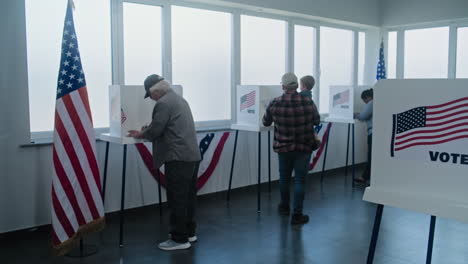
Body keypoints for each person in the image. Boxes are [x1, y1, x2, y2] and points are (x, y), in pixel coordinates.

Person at [128, 74, 201, 251]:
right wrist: (151, 129)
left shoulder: (163, 103)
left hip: (177, 157)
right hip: (191, 155)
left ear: (156, 92)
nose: (151, 99)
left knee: (177, 199)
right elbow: (166, 126)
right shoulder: (179, 100)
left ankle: (178, 239)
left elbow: (157, 129)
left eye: (150, 95)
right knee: (188, 198)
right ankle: (189, 233)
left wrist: (142, 134)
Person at [263, 72, 321, 225]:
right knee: (300, 181)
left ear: (282, 87)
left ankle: (284, 207)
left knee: (284, 178)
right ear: (297, 86)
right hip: (303, 147)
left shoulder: (274, 103)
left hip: (283, 148)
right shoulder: (308, 102)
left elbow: (266, 122)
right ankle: (297, 215)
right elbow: (317, 120)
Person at [354, 88, 373, 186]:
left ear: (368, 97)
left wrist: (356, 115)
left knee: (371, 156)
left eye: (364, 100)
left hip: (373, 132)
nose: (365, 103)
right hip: (378, 132)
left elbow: (363, 116)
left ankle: (365, 177)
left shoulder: (371, 103)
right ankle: (366, 176)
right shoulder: (379, 102)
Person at [299, 75, 321, 147]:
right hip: (308, 140)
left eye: (300, 84)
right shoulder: (311, 101)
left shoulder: (296, 98)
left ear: (304, 86)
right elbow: (317, 121)